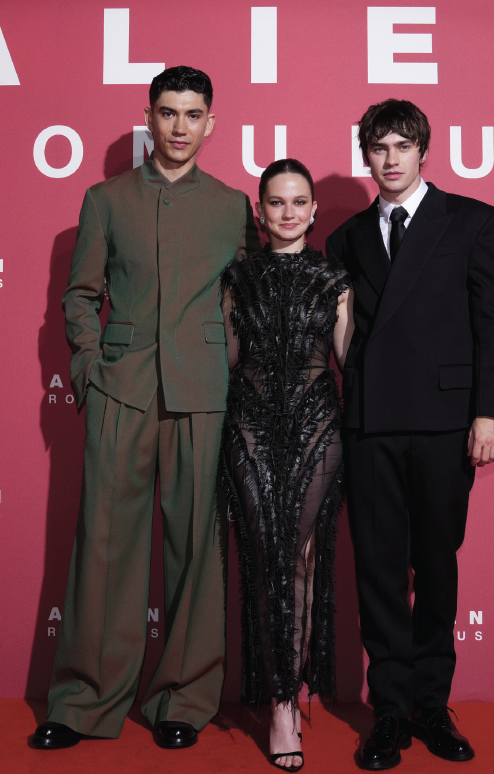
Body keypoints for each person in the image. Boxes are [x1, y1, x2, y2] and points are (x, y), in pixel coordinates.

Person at [32, 66, 259, 750]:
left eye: (194, 114)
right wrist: (88, 369)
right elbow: (80, 297)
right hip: (121, 390)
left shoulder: (232, 205)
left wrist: (232, 364)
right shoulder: (104, 199)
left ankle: (183, 700)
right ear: (149, 118)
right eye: (168, 113)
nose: (181, 127)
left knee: (197, 549)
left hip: (202, 395)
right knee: (103, 547)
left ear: (210, 123)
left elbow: (242, 297)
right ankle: (81, 703)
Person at [327, 99, 494, 770]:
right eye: (379, 148)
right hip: (371, 418)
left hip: (443, 419)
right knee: (377, 569)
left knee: (435, 565)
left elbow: (493, 324)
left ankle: (431, 705)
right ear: (366, 156)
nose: (392, 158)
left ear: (423, 151)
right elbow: (346, 337)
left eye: (404, 145)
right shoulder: (344, 238)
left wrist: (489, 412)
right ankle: (389, 710)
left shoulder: (471, 220)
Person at [221, 159, 353, 771]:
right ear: (260, 210)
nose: (289, 213)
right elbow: (225, 360)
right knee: (264, 555)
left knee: (301, 559)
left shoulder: (335, 279)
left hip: (317, 429)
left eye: (299, 202)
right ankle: (276, 691)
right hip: (249, 427)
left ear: (314, 211)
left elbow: (349, 365)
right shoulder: (236, 279)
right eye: (277, 202)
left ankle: (285, 701)